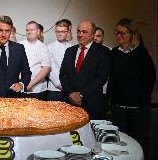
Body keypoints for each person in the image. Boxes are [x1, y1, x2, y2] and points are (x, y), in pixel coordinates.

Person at [107, 18, 156, 158]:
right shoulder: (114, 53)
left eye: (122, 33)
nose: (118, 36)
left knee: (139, 143)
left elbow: (149, 79)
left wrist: (140, 99)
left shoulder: (141, 53)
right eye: (117, 32)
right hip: (118, 107)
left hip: (137, 108)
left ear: (132, 34)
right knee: (121, 142)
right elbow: (111, 79)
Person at [59, 20, 110, 119]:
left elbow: (101, 77)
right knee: (71, 133)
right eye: (78, 31)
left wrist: (81, 94)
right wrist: (70, 93)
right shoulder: (70, 51)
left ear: (93, 34)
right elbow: (63, 74)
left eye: (84, 32)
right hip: (70, 102)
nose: (80, 34)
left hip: (91, 102)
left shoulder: (103, 52)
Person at [20, 21, 51, 100]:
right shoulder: (19, 45)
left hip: (37, 89)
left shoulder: (43, 47)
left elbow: (46, 68)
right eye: (27, 30)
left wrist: (30, 84)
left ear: (38, 32)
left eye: (32, 30)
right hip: (20, 87)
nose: (29, 32)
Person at [47, 20, 72, 101]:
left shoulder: (71, 47)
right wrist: (59, 84)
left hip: (69, 88)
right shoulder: (49, 47)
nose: (60, 34)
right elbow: (50, 68)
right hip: (54, 88)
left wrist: (68, 86)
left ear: (67, 32)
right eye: (57, 31)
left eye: (62, 31)